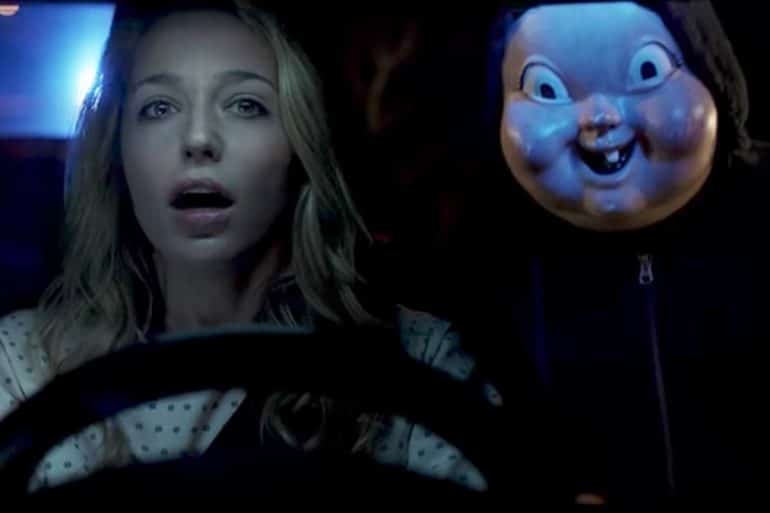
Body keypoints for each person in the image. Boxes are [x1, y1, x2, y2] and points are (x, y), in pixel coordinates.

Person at [0, 1, 493, 492]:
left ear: (302, 145)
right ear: (118, 153)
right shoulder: (25, 364)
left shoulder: (422, 361)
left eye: (245, 105)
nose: (198, 140)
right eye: (159, 107)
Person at [452, 0, 766, 508]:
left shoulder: (758, 219)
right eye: (546, 90)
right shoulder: (488, 267)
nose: (599, 116)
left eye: (647, 73)